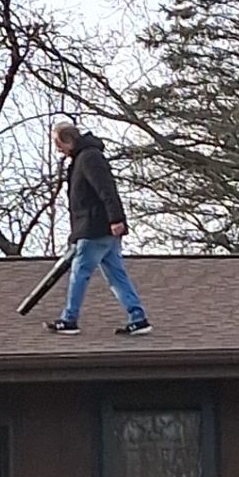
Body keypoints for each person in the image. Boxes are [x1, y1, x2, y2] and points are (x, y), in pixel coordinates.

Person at [46, 121, 152, 336]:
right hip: (100, 228)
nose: (57, 149)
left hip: (94, 227)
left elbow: (106, 189)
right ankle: (138, 317)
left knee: (80, 272)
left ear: (68, 140)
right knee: (116, 274)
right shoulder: (83, 158)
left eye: (58, 143)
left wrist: (116, 219)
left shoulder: (89, 158)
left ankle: (69, 319)